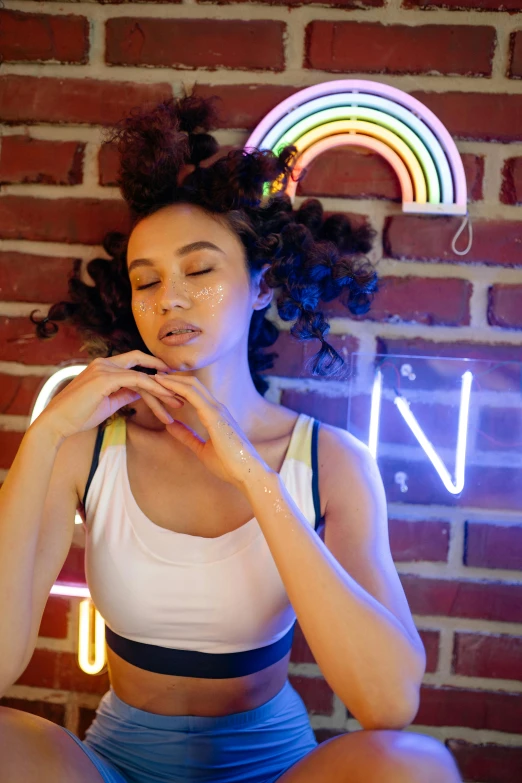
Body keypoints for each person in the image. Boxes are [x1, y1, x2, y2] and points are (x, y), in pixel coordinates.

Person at [0, 91, 462, 782]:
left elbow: (389, 700)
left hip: (273, 767)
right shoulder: (86, 446)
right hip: (118, 763)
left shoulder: (331, 460)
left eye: (200, 268)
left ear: (263, 285)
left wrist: (253, 475)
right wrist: (44, 434)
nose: (170, 299)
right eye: (146, 280)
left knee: (414, 764)